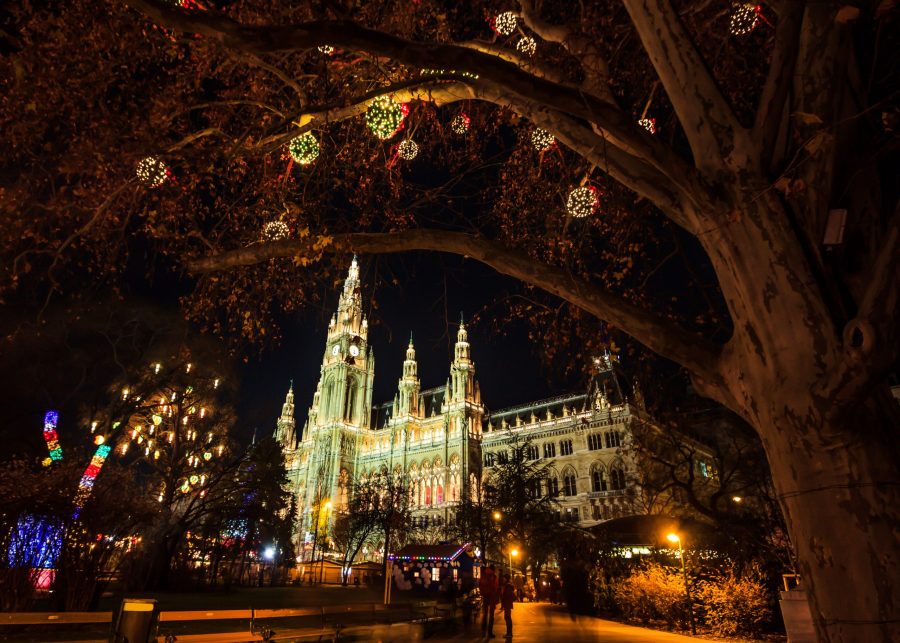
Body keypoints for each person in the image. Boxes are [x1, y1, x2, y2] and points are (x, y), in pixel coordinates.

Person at [479, 564, 499, 638]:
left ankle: (483, 632)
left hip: (485, 596)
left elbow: (480, 584)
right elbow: (495, 586)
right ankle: (490, 632)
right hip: (491, 596)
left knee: (485, 614)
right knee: (491, 616)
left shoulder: (483, 574)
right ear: (493, 569)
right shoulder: (493, 576)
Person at [500, 573, 516, 639]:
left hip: (507, 604)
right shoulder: (507, 585)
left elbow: (508, 596)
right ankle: (508, 633)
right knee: (507, 618)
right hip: (507, 604)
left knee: (508, 618)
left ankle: (509, 633)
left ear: (506, 578)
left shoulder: (508, 586)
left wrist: (505, 601)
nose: (503, 579)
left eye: (504, 578)